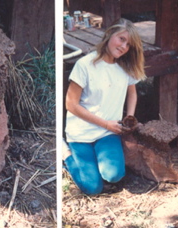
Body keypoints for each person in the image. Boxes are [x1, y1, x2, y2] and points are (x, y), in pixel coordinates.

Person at [63, 18, 146, 195]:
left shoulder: (125, 66)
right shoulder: (85, 64)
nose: (124, 46)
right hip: (81, 132)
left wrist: (129, 117)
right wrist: (106, 123)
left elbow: (132, 92)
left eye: (128, 44)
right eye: (121, 39)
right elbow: (70, 104)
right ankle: (65, 155)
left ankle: (98, 161)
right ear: (109, 35)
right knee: (92, 188)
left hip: (108, 132)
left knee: (114, 175)